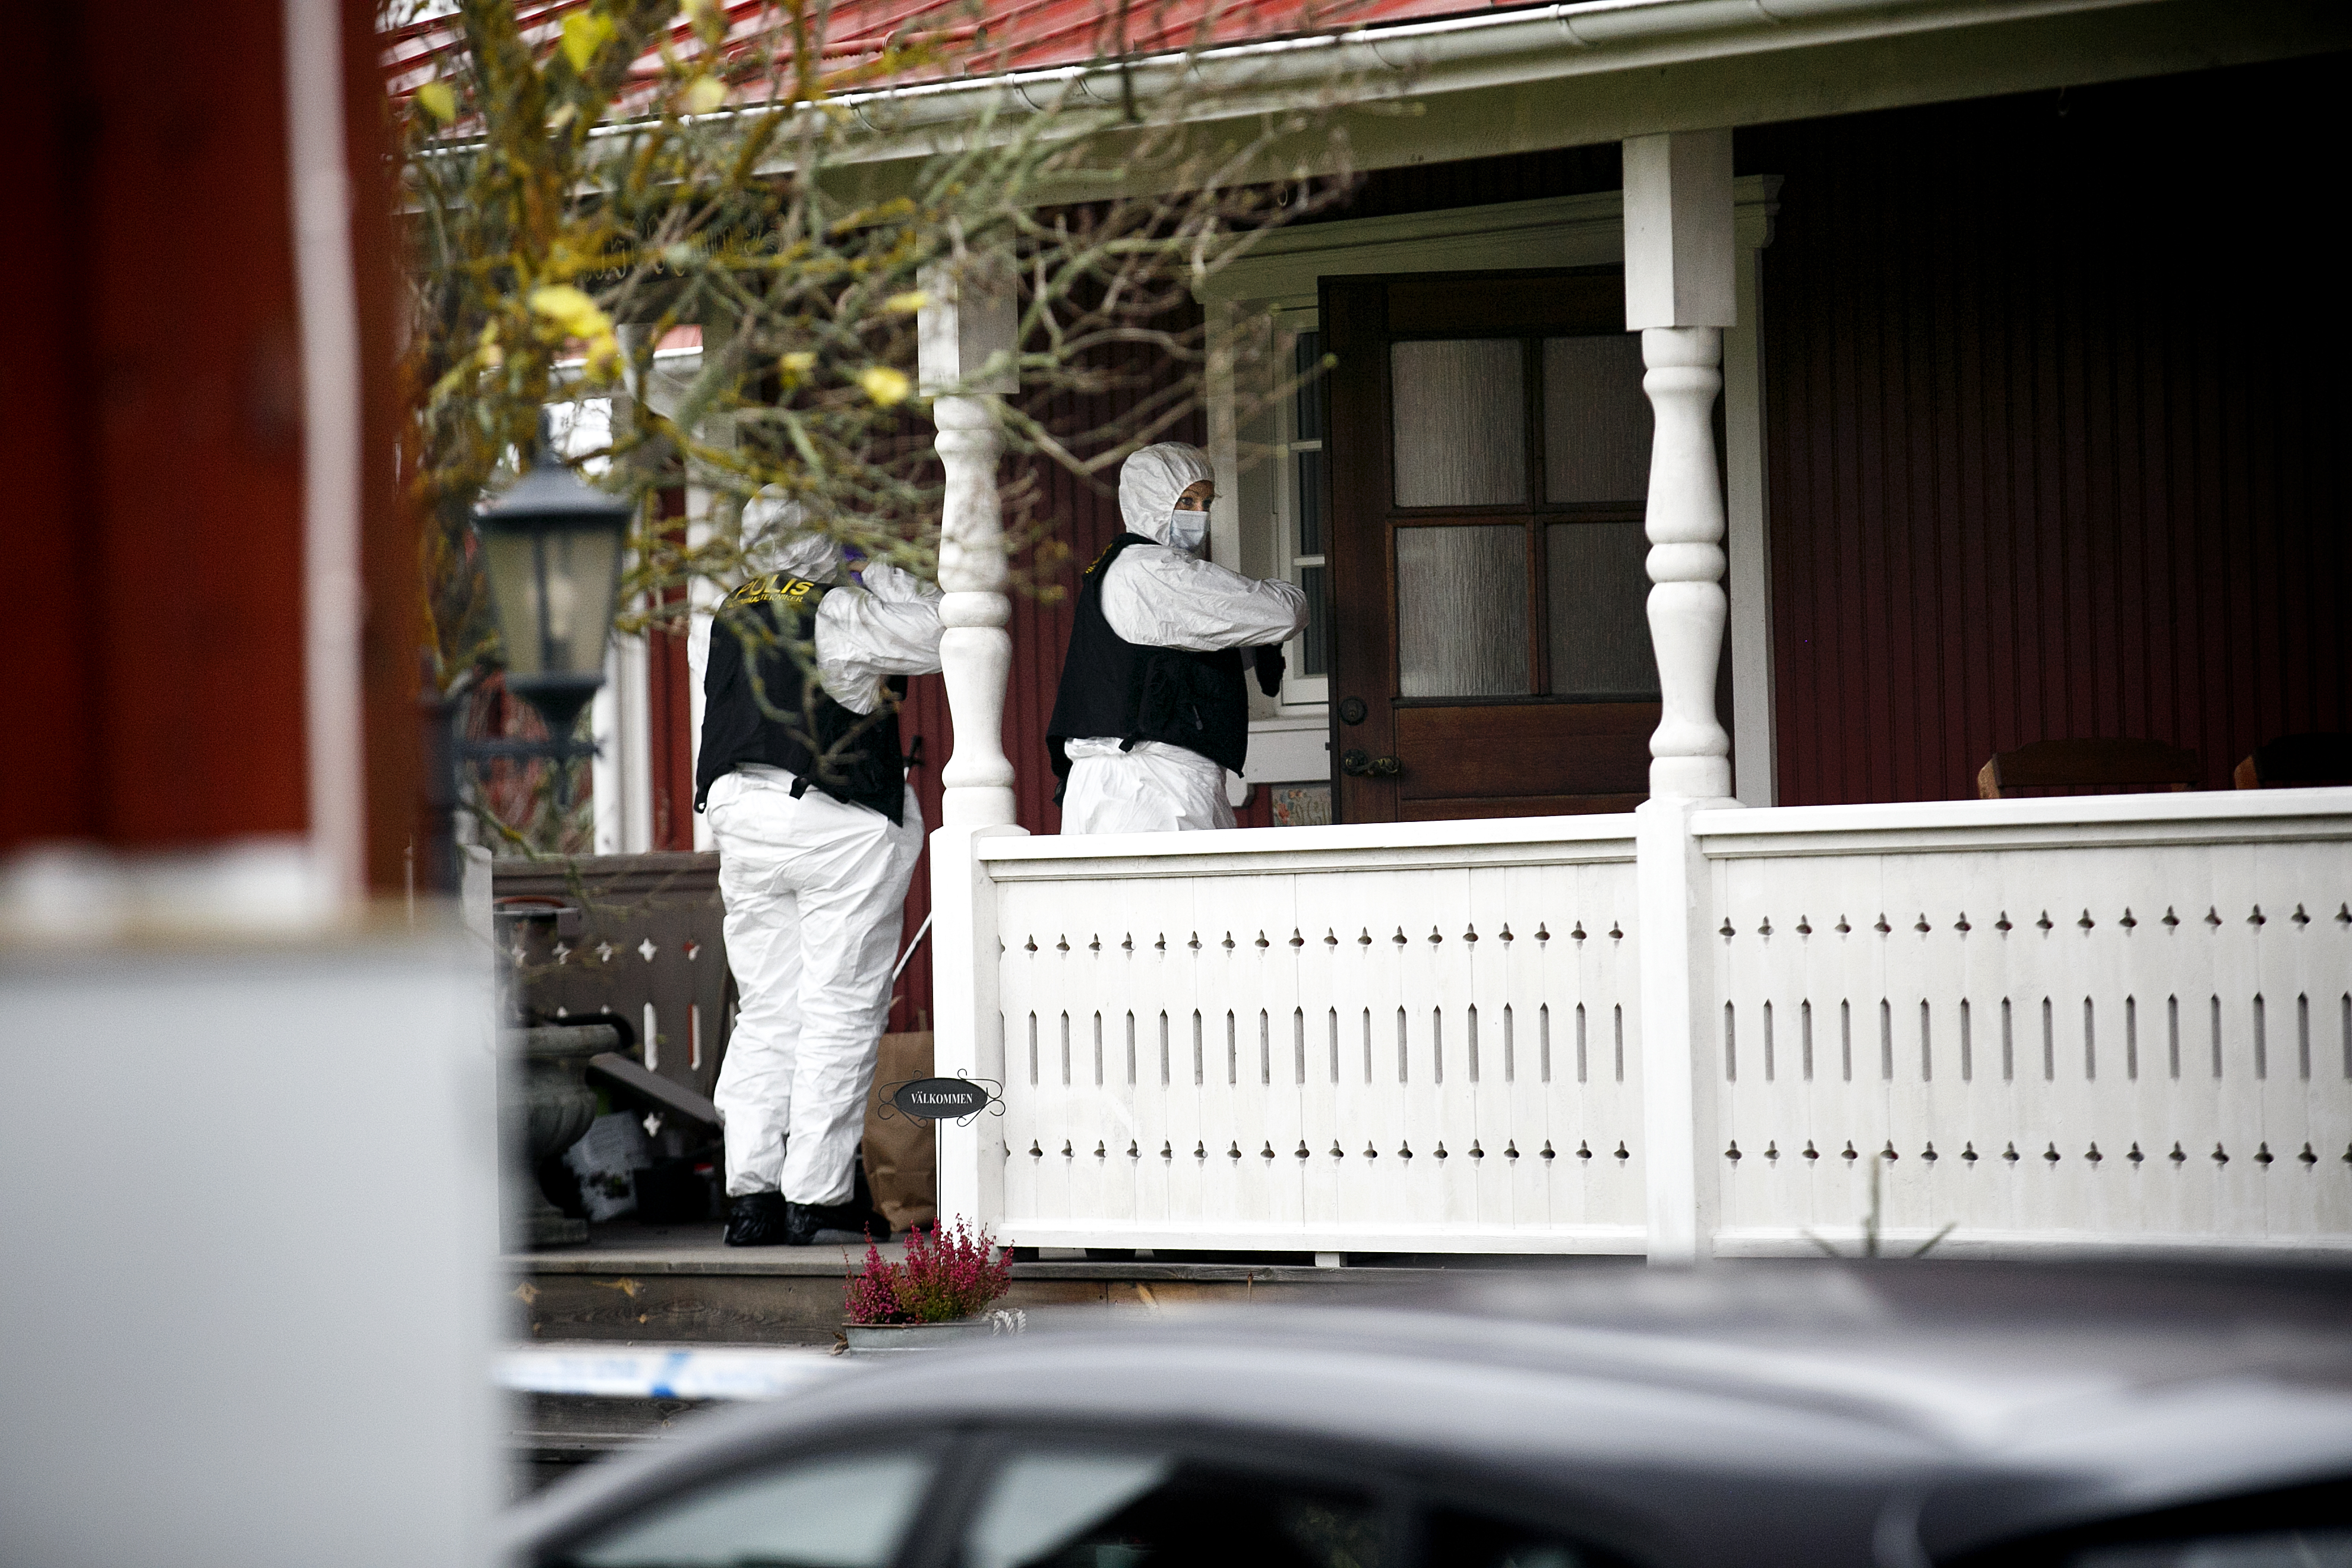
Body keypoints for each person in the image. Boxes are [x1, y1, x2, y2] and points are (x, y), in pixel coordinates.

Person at [689, 490, 943, 1247]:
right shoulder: (834, 611)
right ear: (823, 539)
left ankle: (751, 1195)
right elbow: (944, 634)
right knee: (839, 1005)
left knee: (769, 1010)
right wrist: (885, 573)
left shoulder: (725, 614)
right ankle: (816, 1195)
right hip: (834, 818)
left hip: (743, 817)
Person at [1047, 442, 1308, 833]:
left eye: (1206, 503)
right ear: (1151, 501)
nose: (1199, 515)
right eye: (1187, 502)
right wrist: (1277, 592)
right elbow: (1285, 612)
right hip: (1150, 787)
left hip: (1125, 782)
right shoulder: (1155, 571)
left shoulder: (1121, 567)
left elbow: (1178, 663)